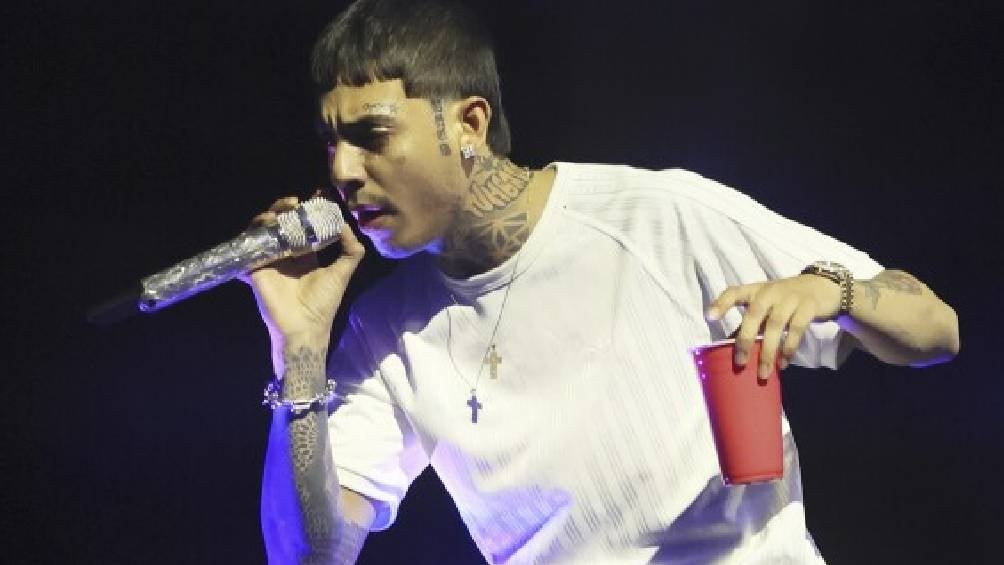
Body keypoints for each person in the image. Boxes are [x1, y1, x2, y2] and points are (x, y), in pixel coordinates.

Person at [247, 1, 960, 563]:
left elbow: (937, 330)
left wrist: (837, 290)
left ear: (469, 124)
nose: (342, 170)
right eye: (331, 142)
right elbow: (308, 555)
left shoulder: (658, 215)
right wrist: (300, 349)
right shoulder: (384, 329)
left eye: (371, 136)